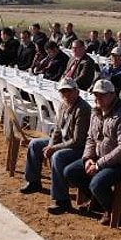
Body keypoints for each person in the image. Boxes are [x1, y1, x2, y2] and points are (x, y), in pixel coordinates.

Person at [65, 79, 121, 225]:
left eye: (102, 95)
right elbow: (90, 138)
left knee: (97, 183)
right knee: (71, 172)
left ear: (112, 95)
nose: (97, 98)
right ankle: (99, 200)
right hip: (101, 158)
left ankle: (113, 209)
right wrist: (88, 158)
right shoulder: (96, 112)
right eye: (96, 95)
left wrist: (99, 164)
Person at [20, 77, 92, 215]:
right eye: (63, 92)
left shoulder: (83, 109)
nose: (66, 95)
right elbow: (57, 129)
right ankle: (33, 181)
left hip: (78, 148)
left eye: (69, 92)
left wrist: (54, 148)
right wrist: (51, 144)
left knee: (58, 156)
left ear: (76, 91)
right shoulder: (63, 105)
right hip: (63, 142)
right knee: (35, 144)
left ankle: (62, 200)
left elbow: (77, 140)